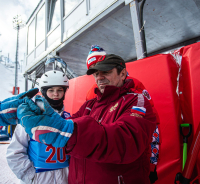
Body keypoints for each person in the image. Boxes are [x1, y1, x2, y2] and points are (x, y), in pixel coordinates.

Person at [15, 54, 157, 183]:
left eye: (106, 72)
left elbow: (125, 140)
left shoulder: (136, 101)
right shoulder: (89, 105)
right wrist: (41, 117)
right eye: (96, 73)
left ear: (122, 74)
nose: (99, 77)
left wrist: (69, 131)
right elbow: (65, 125)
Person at [85, 45, 160, 183]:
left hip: (129, 166)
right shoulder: (91, 93)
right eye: (95, 71)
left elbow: (151, 128)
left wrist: (151, 165)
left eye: (104, 69)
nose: (99, 75)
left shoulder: (134, 86)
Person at [6, 70, 70, 184]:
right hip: (39, 177)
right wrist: (30, 177)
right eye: (51, 90)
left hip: (65, 177)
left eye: (60, 90)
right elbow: (15, 152)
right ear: (44, 92)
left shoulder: (69, 119)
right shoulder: (30, 119)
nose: (56, 94)